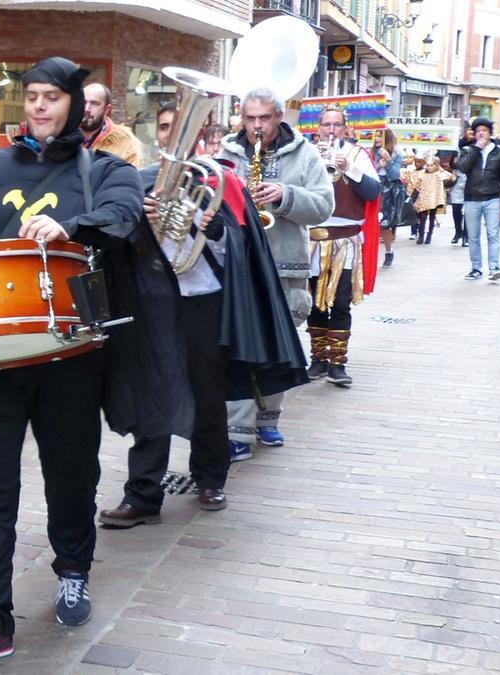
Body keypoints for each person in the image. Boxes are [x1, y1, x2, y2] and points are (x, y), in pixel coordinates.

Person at [0, 56, 147, 673]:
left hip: (69, 353)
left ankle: (73, 570)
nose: (38, 106)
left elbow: (123, 218)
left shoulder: (105, 169)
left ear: (76, 104)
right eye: (30, 96)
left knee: (71, 474)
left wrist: (71, 225)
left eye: (51, 97)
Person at [100, 103, 308, 528]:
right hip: (154, 302)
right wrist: (138, 221)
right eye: (163, 127)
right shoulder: (137, 183)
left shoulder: (218, 180)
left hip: (204, 301)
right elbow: (115, 244)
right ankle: (142, 495)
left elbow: (240, 247)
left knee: (208, 394)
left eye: (180, 128)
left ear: (204, 135)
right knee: (151, 394)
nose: (170, 135)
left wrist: (213, 230)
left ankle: (210, 479)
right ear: (155, 134)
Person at [215, 87, 333, 460]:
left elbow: (324, 205)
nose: (256, 126)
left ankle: (269, 417)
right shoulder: (229, 151)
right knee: (242, 347)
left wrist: (284, 195)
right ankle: (238, 430)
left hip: (286, 266)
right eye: (250, 118)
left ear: (279, 116)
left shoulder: (305, 153)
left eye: (264, 118)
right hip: (237, 265)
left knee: (280, 347)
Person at [305, 105, 381, 388]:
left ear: (346, 128)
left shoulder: (358, 155)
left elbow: (372, 192)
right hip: (313, 238)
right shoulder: (308, 153)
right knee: (313, 301)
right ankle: (317, 359)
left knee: (340, 301)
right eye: (327, 124)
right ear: (318, 128)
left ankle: (337, 363)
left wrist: (350, 169)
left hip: (345, 240)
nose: (332, 130)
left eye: (337, 125)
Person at [457, 117, 500, 281]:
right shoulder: (468, 150)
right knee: (473, 236)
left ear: (490, 133)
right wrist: (475, 149)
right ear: (474, 134)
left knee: (493, 234)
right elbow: (463, 168)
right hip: (471, 198)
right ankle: (476, 268)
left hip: (493, 198)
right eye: (478, 131)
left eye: (484, 131)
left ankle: (494, 267)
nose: (481, 133)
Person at [376, 129, 406, 266]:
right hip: (373, 186)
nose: (376, 139)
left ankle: (388, 252)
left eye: (379, 136)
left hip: (388, 191)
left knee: (384, 223)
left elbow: (394, 175)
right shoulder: (370, 152)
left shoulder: (397, 153)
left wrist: (388, 161)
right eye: (375, 136)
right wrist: (377, 166)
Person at [409, 156, 446, 245]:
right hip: (424, 198)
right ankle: (421, 235)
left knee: (432, 217)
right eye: (428, 165)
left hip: (434, 198)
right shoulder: (423, 174)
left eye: (432, 165)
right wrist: (413, 196)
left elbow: (447, 179)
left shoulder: (439, 174)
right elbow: (417, 185)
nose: (430, 167)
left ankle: (429, 235)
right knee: (422, 217)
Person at [81, 82, 115, 149]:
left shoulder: (124, 146)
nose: (86, 109)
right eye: (83, 102)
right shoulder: (62, 137)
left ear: (106, 110)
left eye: (94, 103)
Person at [446, 155, 468, 245]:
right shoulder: (457, 151)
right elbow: (452, 164)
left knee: (468, 212)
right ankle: (458, 232)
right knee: (456, 210)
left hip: (470, 183)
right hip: (457, 184)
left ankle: (466, 236)